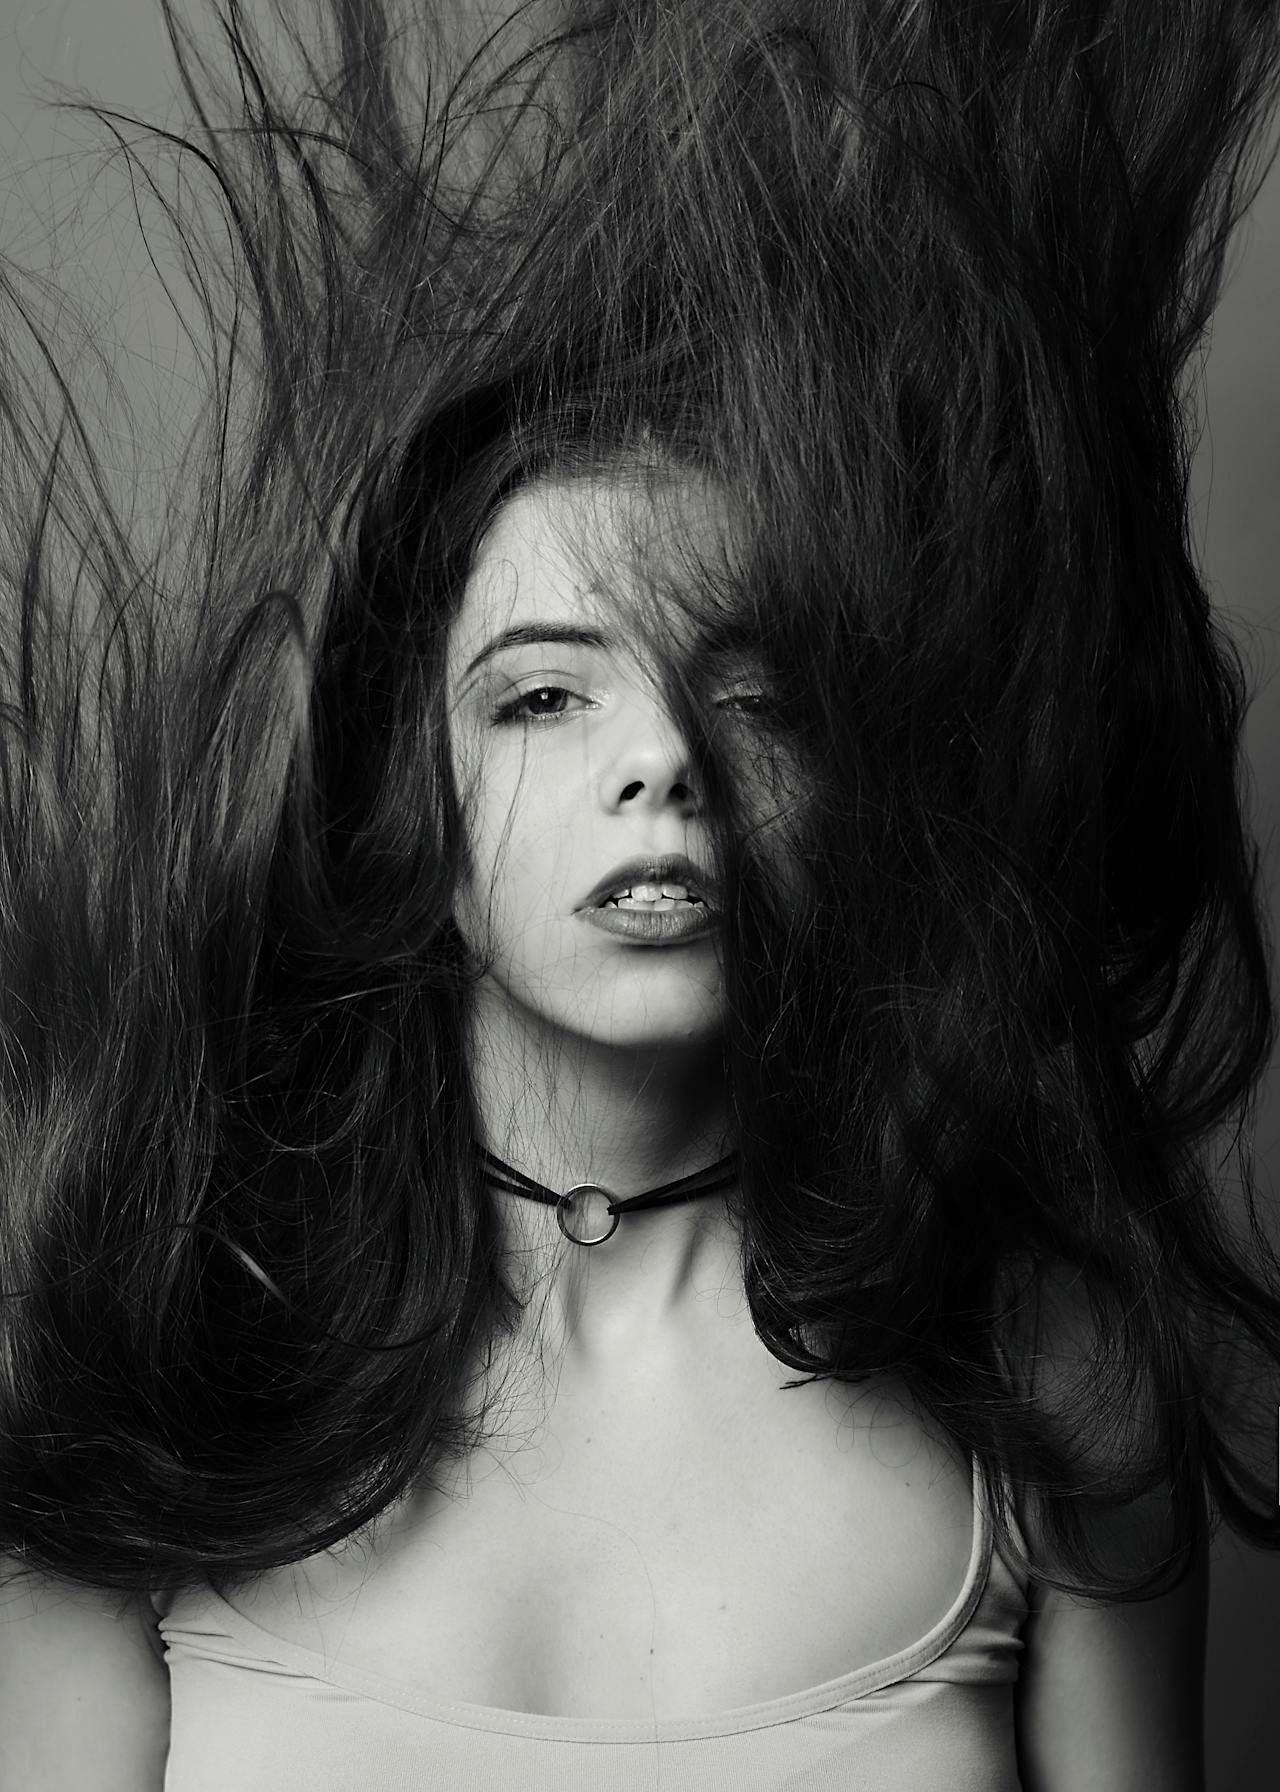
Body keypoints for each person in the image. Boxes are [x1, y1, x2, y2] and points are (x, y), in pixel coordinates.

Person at [1, 2, 1279, 1787]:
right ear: (405, 792)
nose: (662, 761)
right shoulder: (154, 1344)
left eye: (751, 695)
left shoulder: (1047, 1373)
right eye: (542, 693)